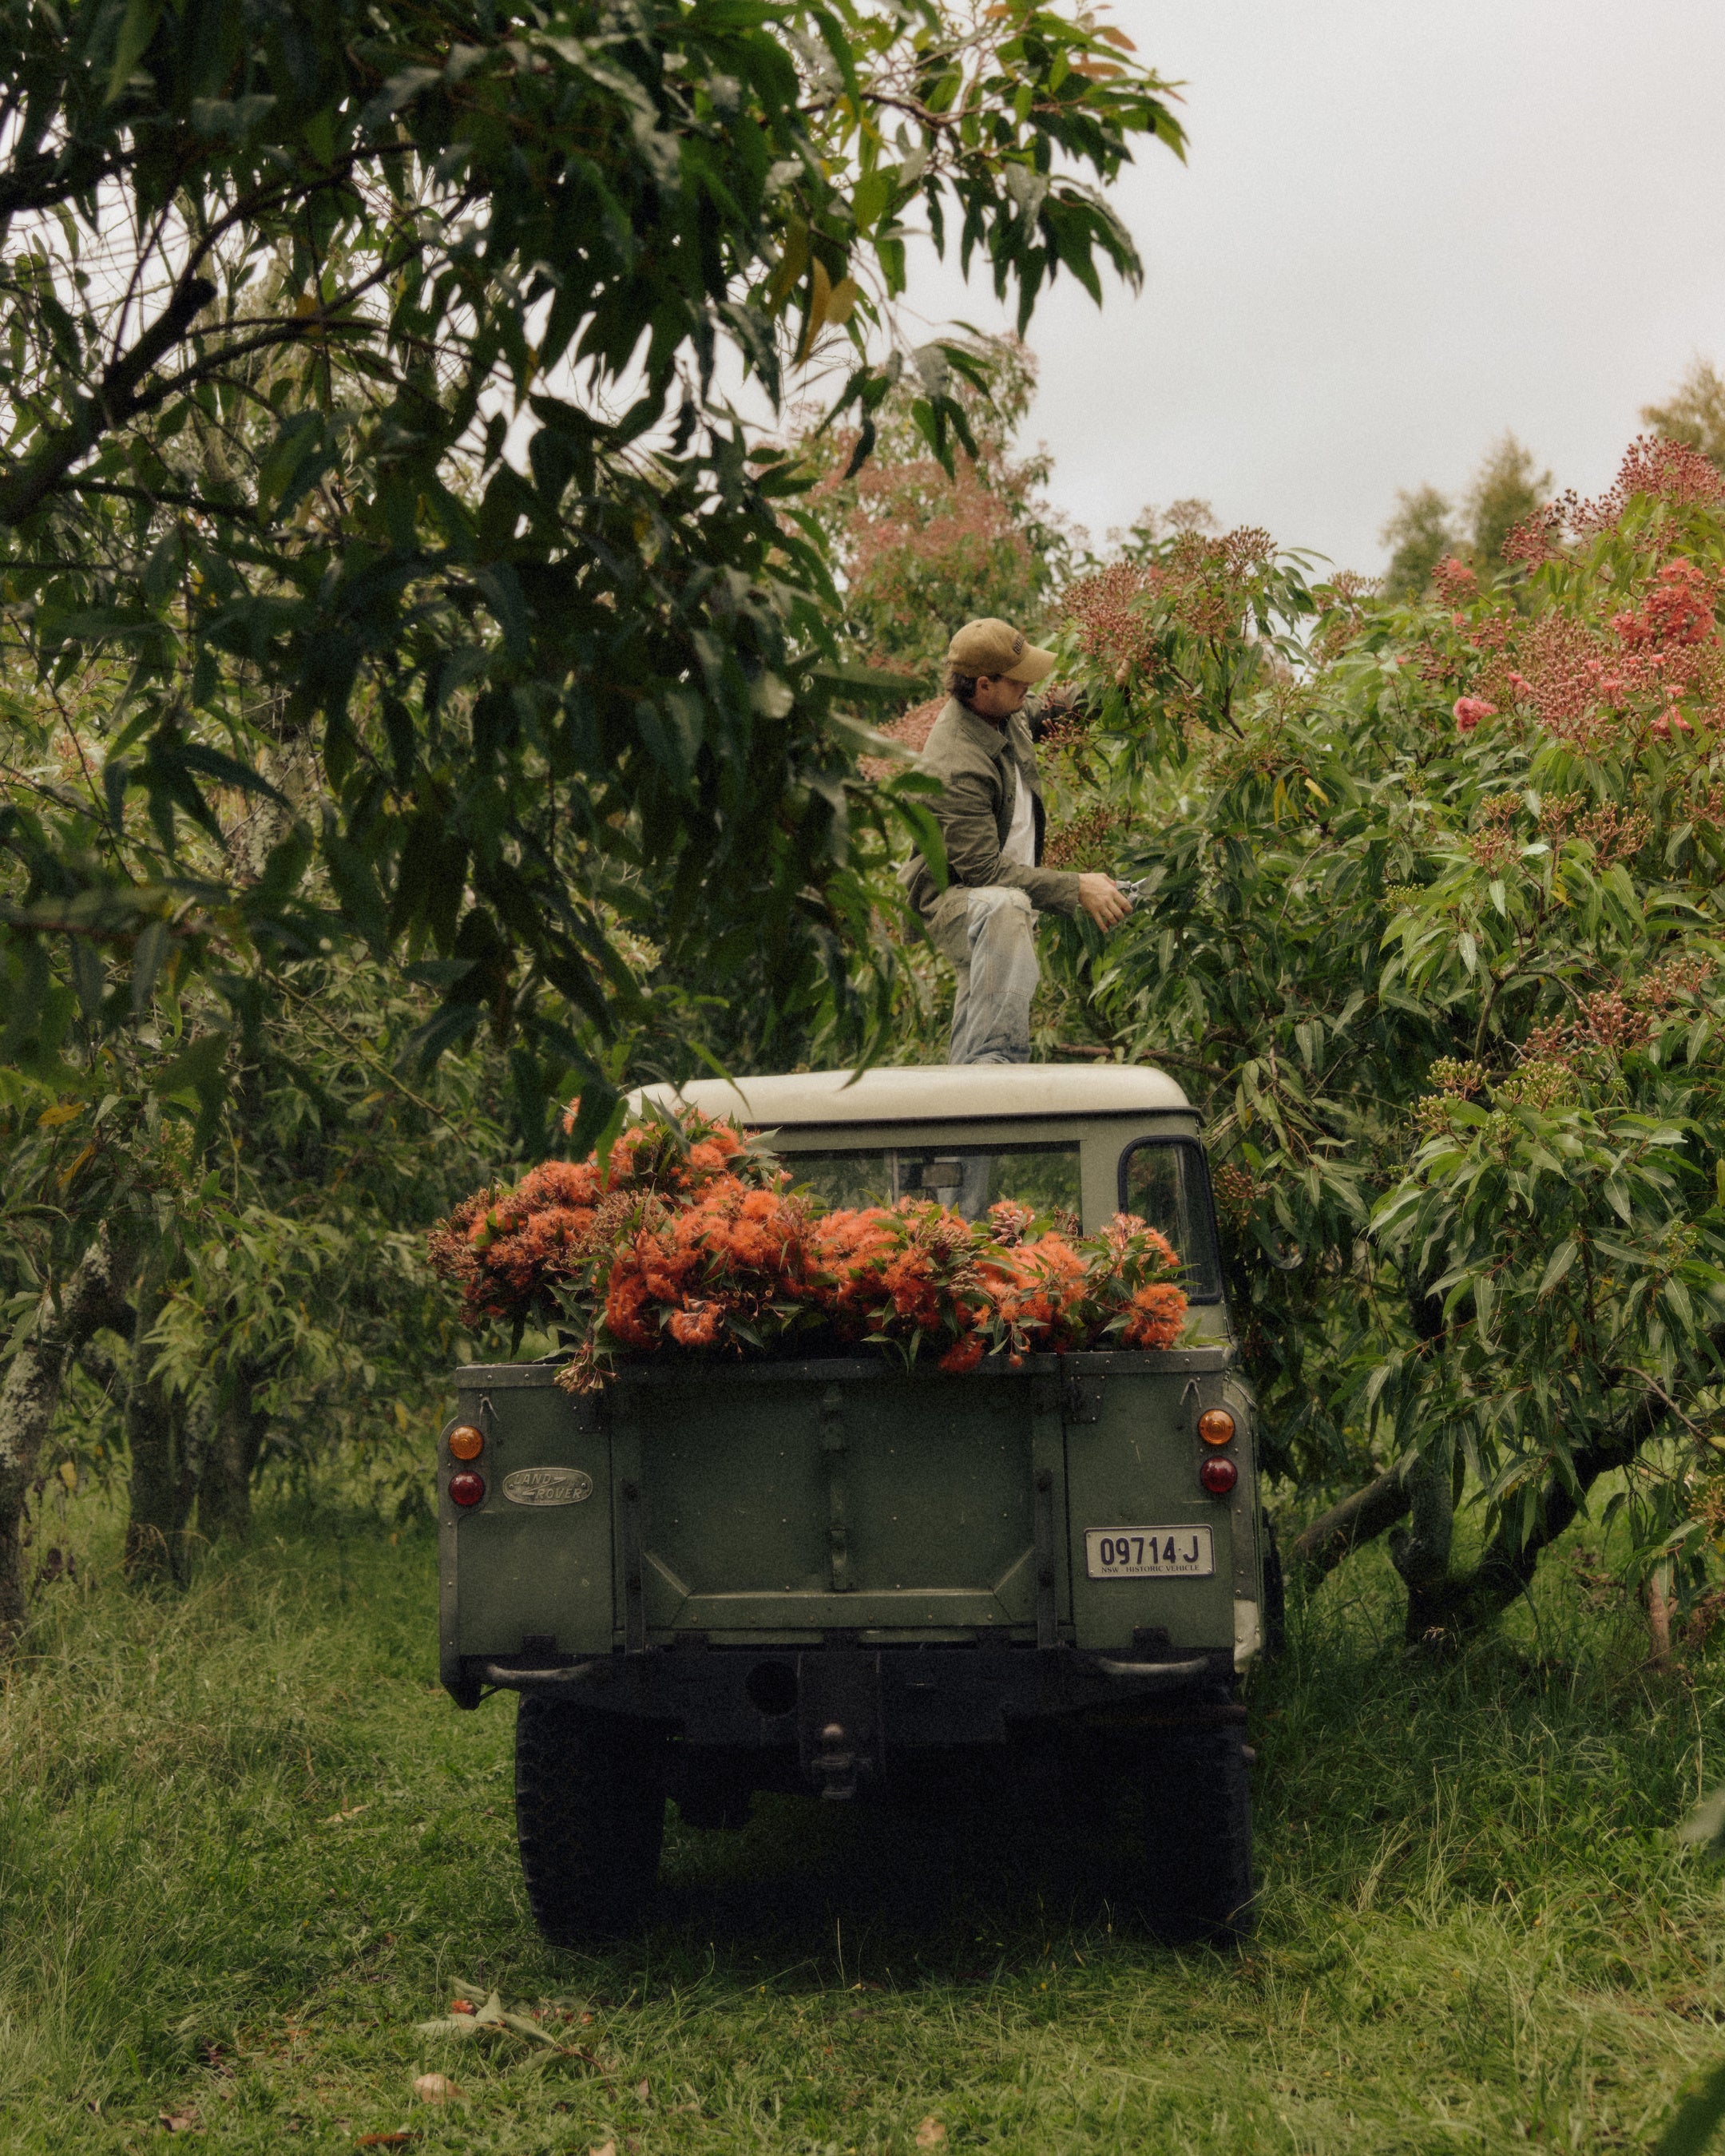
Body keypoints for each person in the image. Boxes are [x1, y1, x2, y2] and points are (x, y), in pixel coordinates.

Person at [902, 616, 1131, 1066]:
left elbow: (1055, 711)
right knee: (1004, 908)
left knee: (980, 1001)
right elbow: (983, 873)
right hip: (956, 901)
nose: (1029, 683)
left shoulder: (1005, 710)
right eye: (1018, 677)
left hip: (997, 897)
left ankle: (966, 1087)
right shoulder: (956, 762)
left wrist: (1115, 686)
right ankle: (999, 1070)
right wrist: (1076, 886)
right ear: (983, 685)